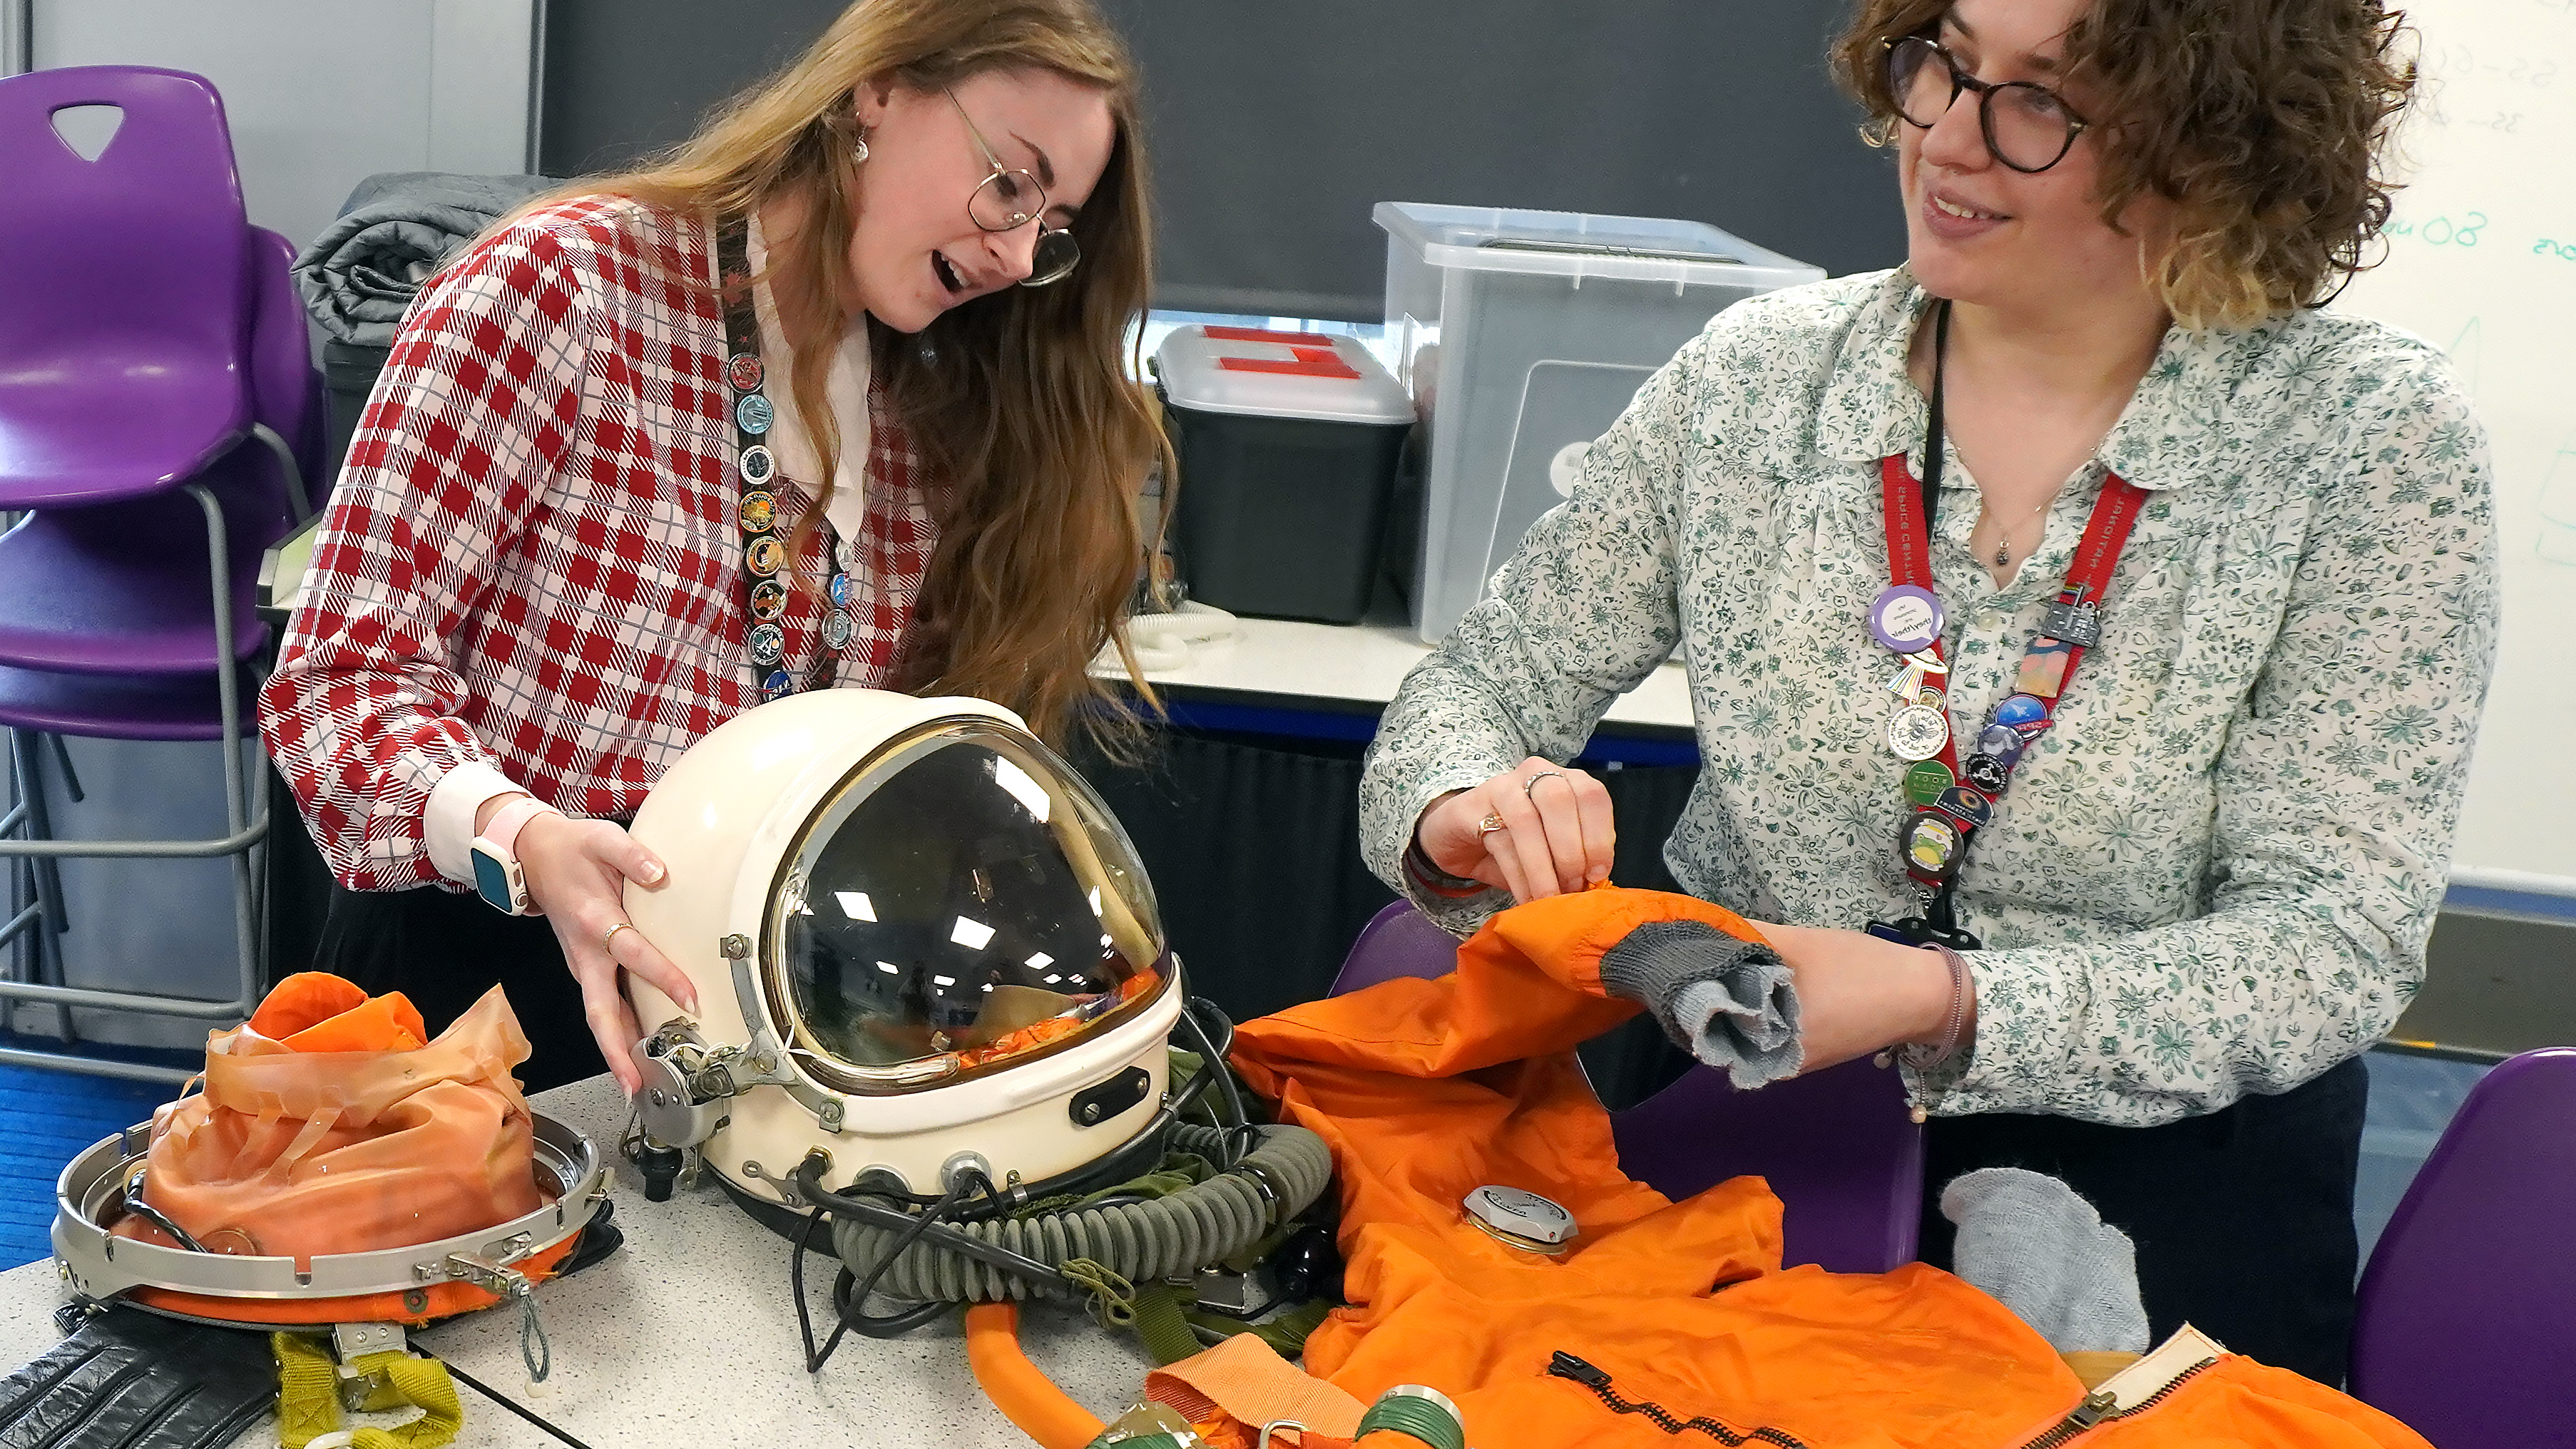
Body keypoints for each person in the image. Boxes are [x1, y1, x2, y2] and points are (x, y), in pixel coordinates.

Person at [1358, 0, 2495, 1385]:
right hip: (1744, 1151)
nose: (1949, 136)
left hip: (2158, 1206)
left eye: (2042, 101)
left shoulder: (2361, 446)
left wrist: (1946, 998)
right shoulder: (1759, 386)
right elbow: (1476, 689)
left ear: (2216, 140)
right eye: (1939, 62)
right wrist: (1460, 804)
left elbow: (2333, 937)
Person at [262, 0, 1166, 1097]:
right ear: (878, 89)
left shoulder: (939, 409)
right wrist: (515, 835)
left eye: (1051, 227)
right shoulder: (567, 286)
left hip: (747, 1030)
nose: (1017, 250)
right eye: (1010, 183)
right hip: (476, 991)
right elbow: (336, 683)